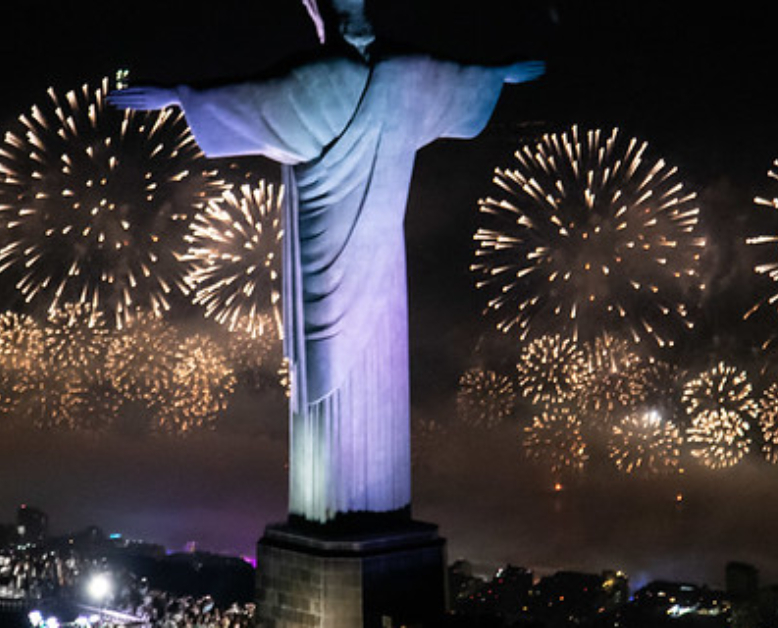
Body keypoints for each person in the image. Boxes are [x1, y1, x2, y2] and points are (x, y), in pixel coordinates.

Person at [109, 9, 543, 524]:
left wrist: (181, 96)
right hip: (362, 261)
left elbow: (249, 99)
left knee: (334, 382)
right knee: (341, 383)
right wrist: (497, 75)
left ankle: (340, 514)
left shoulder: (343, 79)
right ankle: (354, 511)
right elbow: (458, 80)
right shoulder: (393, 76)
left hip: (350, 262)